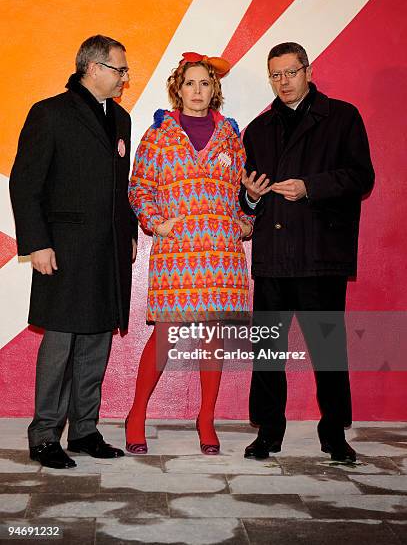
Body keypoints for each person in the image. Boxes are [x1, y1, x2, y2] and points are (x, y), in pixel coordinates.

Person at [240, 42, 374, 462]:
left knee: (328, 352)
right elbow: (244, 200)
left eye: (290, 73)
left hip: (320, 255)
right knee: (266, 352)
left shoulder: (342, 116)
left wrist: (309, 187)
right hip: (273, 256)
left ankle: (334, 434)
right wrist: (252, 198)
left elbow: (360, 176)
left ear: (308, 71)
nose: (283, 82)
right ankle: (268, 432)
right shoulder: (258, 129)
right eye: (276, 75)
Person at [9, 35, 138, 469]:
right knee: (61, 345)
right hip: (62, 250)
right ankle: (45, 435)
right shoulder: (50, 113)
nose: (125, 77)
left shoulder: (121, 119)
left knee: (97, 341)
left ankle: (84, 430)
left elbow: (121, 189)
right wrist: (37, 243)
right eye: (120, 69)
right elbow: (24, 184)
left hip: (108, 252)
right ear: (94, 68)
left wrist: (130, 232)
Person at [127, 52, 253, 454]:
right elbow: (139, 187)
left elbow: (240, 193)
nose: (197, 91)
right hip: (177, 252)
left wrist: (244, 221)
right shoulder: (159, 135)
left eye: (204, 83)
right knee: (165, 335)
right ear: (177, 89)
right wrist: (156, 222)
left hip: (220, 253)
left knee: (213, 337)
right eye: (190, 84)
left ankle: (206, 418)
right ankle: (136, 415)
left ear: (214, 89)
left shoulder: (232, 136)